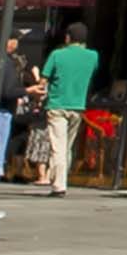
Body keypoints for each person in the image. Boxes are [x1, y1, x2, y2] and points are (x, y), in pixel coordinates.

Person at [37, 25, 98, 196]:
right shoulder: (93, 56)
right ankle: (61, 178)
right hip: (78, 105)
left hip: (57, 104)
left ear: (68, 37)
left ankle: (58, 185)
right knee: (67, 146)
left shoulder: (57, 55)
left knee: (58, 146)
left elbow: (43, 81)